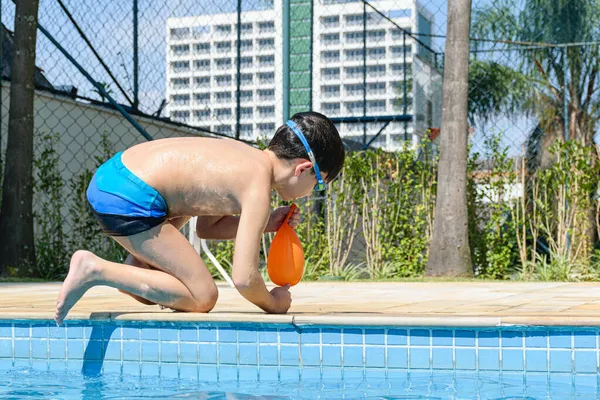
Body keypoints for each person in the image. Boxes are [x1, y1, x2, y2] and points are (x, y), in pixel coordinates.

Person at [54, 111, 345, 325]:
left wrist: (267, 223)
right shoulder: (257, 187)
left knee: (157, 292)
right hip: (131, 194)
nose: (310, 194)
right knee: (203, 296)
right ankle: (95, 269)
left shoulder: (246, 159)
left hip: (115, 177)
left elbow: (207, 227)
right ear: (303, 169)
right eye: (319, 184)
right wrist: (273, 302)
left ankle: (131, 270)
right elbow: (244, 279)